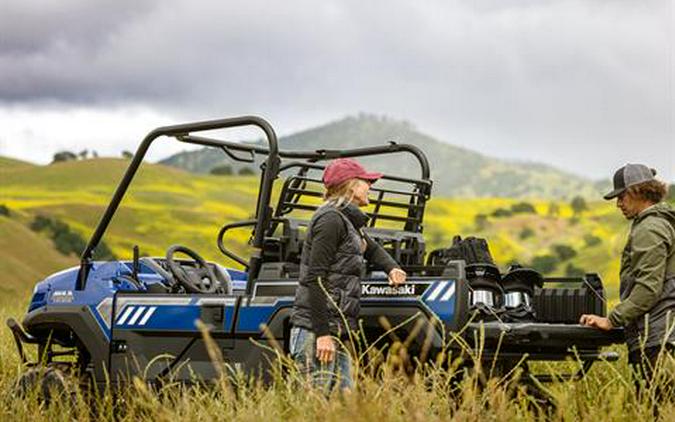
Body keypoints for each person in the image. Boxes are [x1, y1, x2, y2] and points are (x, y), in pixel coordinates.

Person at [289, 158, 407, 393]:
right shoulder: (331, 220)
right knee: (315, 408)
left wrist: (392, 268)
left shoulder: (349, 222)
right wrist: (323, 334)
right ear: (352, 186)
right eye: (367, 182)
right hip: (317, 332)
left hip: (336, 330)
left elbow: (370, 247)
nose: (370, 187)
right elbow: (315, 279)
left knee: (343, 405)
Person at [580, 163, 675, 393]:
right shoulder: (662, 223)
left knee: (655, 410)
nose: (618, 204)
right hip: (664, 337)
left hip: (656, 341)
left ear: (636, 191)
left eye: (621, 196)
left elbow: (648, 289)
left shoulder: (649, 229)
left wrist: (611, 320)